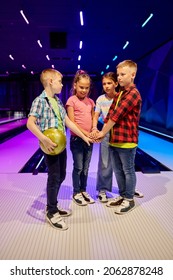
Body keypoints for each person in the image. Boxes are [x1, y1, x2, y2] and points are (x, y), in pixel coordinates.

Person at [27, 68, 92, 230]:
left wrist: (84, 137)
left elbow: (68, 122)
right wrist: (43, 139)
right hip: (50, 147)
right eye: (60, 82)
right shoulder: (39, 101)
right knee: (54, 176)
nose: (62, 85)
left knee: (61, 174)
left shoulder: (57, 101)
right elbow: (30, 123)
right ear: (50, 82)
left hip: (60, 146)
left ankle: (52, 205)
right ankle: (51, 211)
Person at [95, 60, 142, 214]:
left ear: (133, 75)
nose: (119, 78)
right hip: (115, 140)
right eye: (119, 75)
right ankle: (123, 196)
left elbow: (116, 115)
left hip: (127, 141)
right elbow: (109, 115)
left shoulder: (133, 94)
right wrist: (99, 132)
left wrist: (102, 133)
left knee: (128, 171)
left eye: (123, 74)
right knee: (118, 171)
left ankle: (129, 200)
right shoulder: (120, 93)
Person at [66, 70, 95, 206]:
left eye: (87, 88)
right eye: (81, 87)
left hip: (88, 140)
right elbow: (72, 124)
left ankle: (83, 190)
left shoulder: (91, 102)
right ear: (75, 85)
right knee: (78, 167)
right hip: (77, 140)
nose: (84, 90)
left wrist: (94, 131)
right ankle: (76, 192)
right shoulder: (71, 101)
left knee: (86, 168)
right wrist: (85, 134)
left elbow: (94, 120)